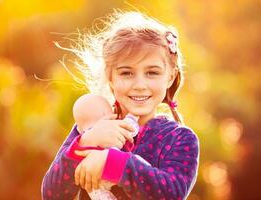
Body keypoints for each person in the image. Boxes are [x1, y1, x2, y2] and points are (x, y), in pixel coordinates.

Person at [42, 10, 199, 200]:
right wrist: (86, 142)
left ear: (170, 77)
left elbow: (171, 194)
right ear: (110, 78)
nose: (140, 85)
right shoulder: (92, 128)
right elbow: (52, 194)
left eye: (152, 72)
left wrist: (113, 163)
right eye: (126, 73)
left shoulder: (180, 139)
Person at [73, 93, 139, 200]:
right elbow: (129, 129)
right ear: (108, 114)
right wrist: (132, 117)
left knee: (96, 192)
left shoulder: (83, 138)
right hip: (110, 167)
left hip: (94, 178)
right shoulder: (111, 128)